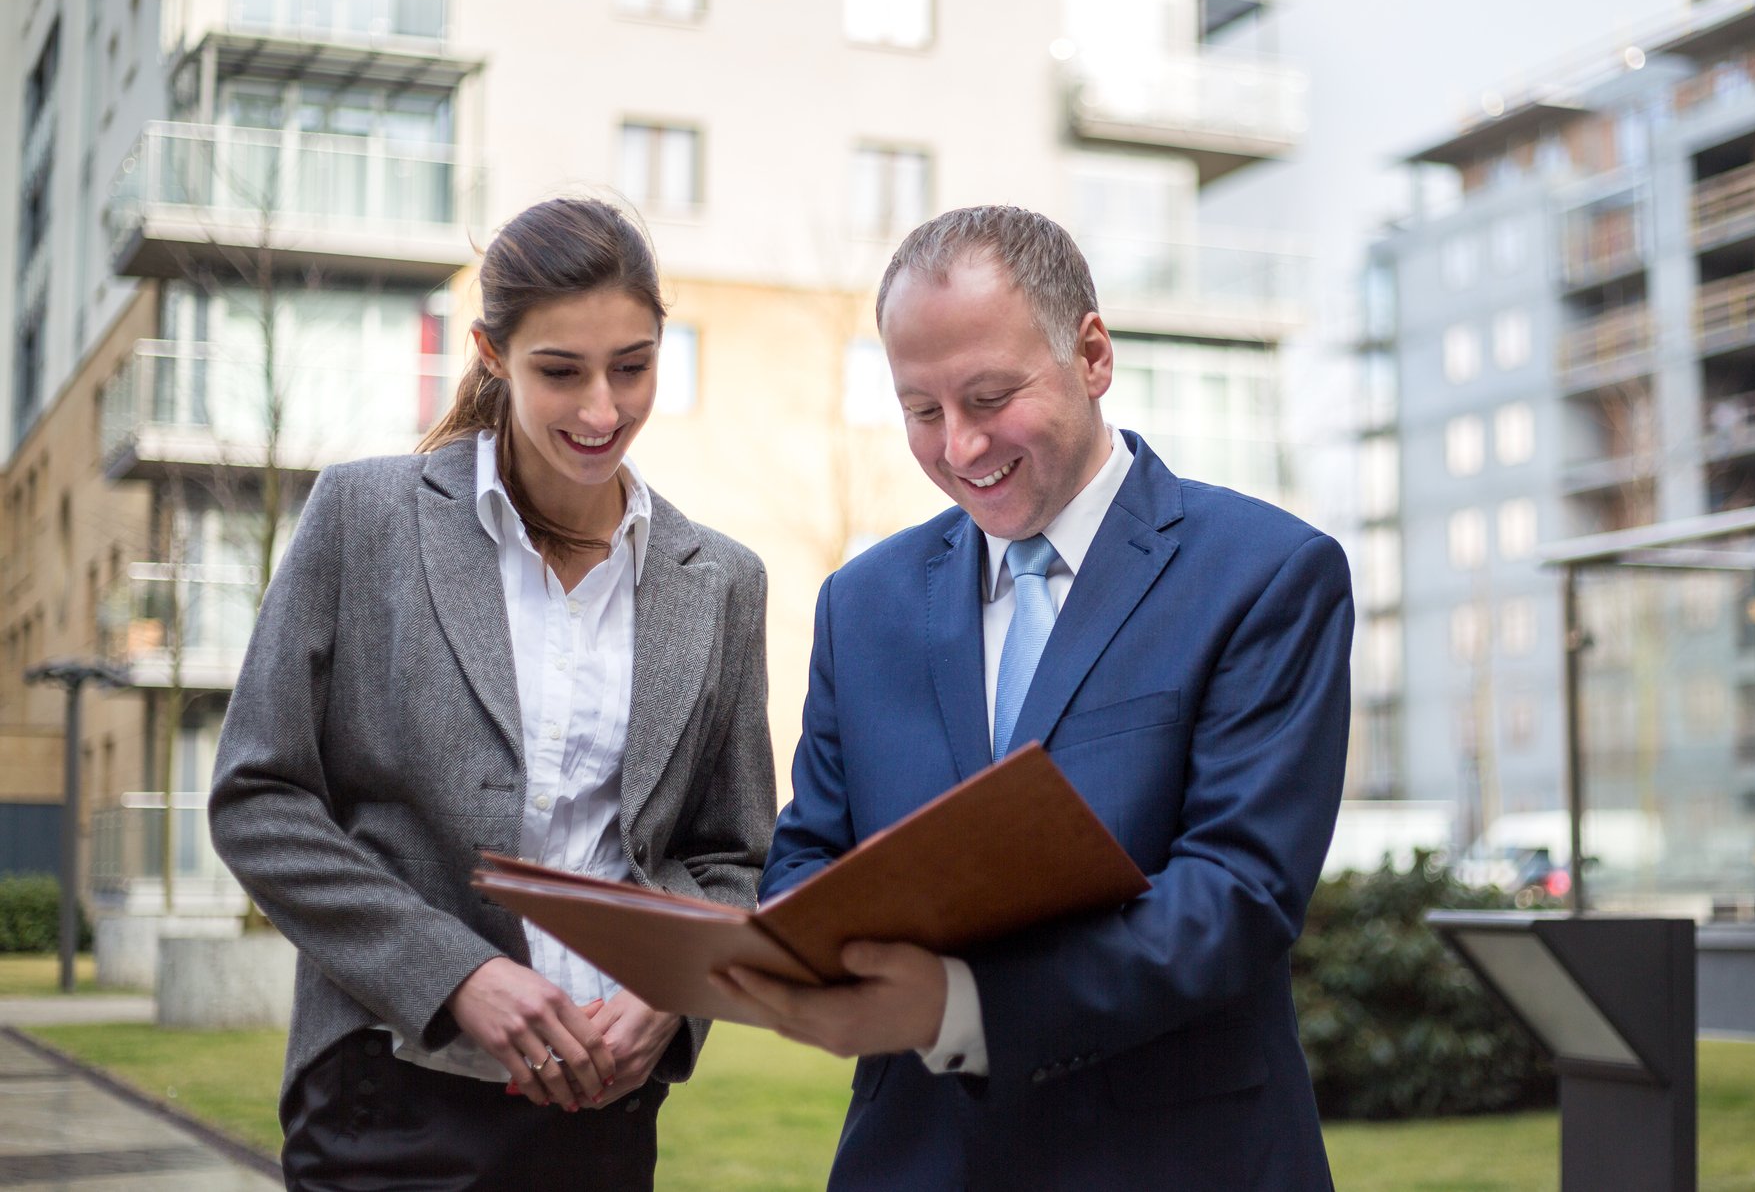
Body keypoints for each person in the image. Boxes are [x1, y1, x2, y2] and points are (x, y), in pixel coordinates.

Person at [720, 206, 1354, 1189]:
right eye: (921, 411)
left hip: (1173, 1159)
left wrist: (954, 1004)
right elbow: (812, 850)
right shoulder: (863, 602)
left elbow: (1235, 895)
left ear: (1091, 353)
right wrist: (804, 955)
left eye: (987, 396)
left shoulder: (1265, 576)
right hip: (916, 1160)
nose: (960, 446)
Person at [209, 197, 775, 1190]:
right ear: (489, 352)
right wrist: (454, 974)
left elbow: (730, 852)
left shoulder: (722, 581)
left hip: (606, 1115)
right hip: (387, 1093)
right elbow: (259, 798)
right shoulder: (365, 519)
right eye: (560, 370)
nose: (602, 410)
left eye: (633, 366)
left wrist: (677, 988)